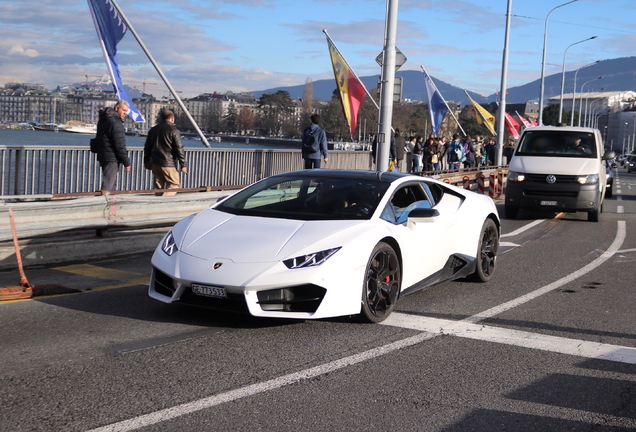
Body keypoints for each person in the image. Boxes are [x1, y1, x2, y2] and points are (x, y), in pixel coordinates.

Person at [144, 109, 187, 196]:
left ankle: (157, 204)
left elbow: (147, 148)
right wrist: (183, 164)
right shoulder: (174, 131)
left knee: (158, 187)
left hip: (155, 163)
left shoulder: (153, 130)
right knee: (174, 184)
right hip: (168, 163)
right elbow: (179, 148)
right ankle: (164, 202)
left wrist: (146, 162)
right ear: (172, 119)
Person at [94, 99, 131, 191]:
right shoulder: (116, 122)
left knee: (111, 182)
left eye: (126, 111)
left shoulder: (104, 119)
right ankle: (102, 202)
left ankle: (113, 203)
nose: (125, 113)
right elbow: (119, 144)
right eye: (123, 110)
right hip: (112, 156)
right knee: (108, 183)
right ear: (117, 108)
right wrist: (126, 162)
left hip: (103, 154)